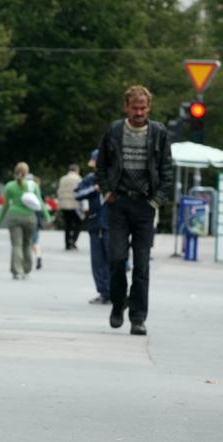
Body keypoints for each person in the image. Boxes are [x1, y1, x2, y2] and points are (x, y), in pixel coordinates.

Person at [96, 85, 172, 336]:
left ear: (148, 107)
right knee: (117, 259)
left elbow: (166, 170)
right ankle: (118, 304)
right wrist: (107, 192)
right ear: (126, 107)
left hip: (145, 205)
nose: (139, 112)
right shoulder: (115, 131)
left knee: (141, 265)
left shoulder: (159, 132)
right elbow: (102, 165)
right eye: (135, 107)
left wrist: (156, 200)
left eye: (143, 107)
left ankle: (138, 317)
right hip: (118, 203)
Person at [0, 162, 51, 279]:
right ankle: (27, 270)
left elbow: (6, 205)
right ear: (27, 172)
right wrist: (47, 217)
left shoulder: (10, 186)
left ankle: (17, 271)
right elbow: (41, 203)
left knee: (16, 244)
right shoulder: (33, 185)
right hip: (30, 218)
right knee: (28, 244)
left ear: (15, 172)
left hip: (14, 217)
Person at [75, 149, 110, 305]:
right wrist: (94, 190)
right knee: (97, 261)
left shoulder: (115, 178)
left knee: (113, 259)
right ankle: (103, 292)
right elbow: (77, 194)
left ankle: (114, 292)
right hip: (95, 222)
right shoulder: (90, 179)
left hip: (112, 224)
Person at [57, 164, 83, 250]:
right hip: (74, 204)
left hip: (64, 204)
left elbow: (59, 192)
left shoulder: (62, 179)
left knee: (67, 225)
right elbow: (81, 192)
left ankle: (67, 244)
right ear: (76, 170)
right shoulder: (78, 179)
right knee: (78, 223)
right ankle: (73, 240)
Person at [27, 174, 45, 270]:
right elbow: (42, 206)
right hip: (37, 219)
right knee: (36, 241)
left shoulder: (24, 192)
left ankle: (27, 260)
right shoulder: (39, 192)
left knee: (27, 241)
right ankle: (38, 256)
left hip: (27, 218)